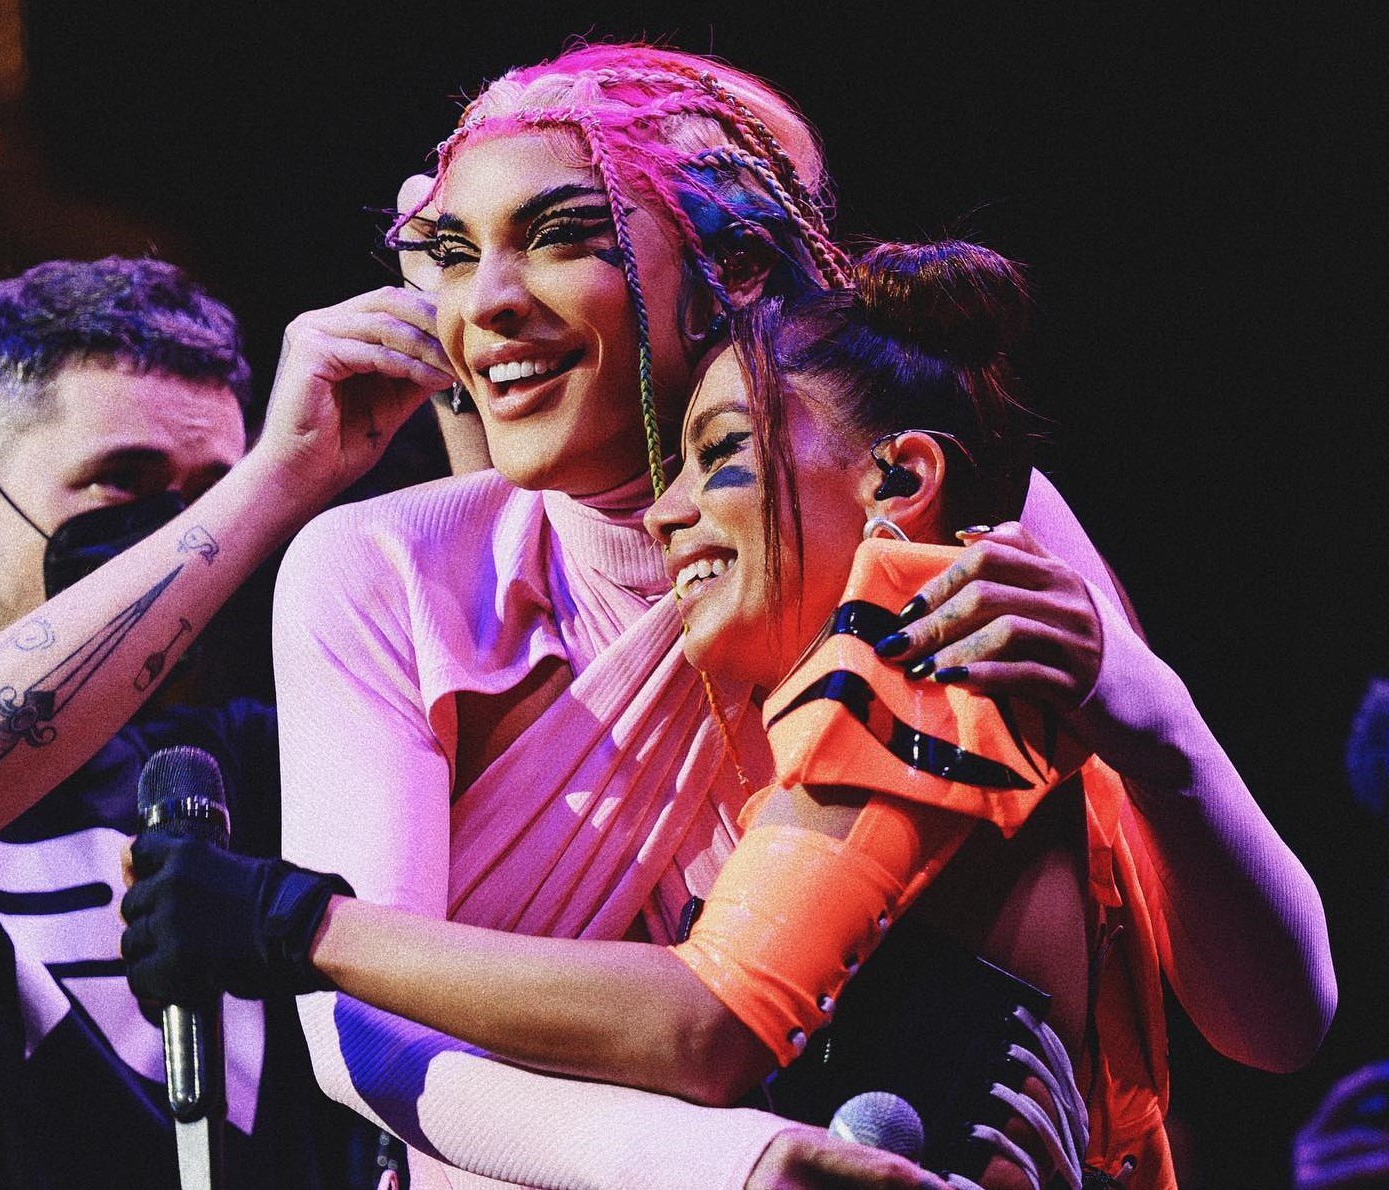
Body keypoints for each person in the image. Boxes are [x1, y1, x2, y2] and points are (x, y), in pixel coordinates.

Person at [123, 41, 1332, 1190]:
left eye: (562, 235)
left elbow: (1273, 1022)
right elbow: (359, 1038)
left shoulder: (933, 536)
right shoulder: (385, 568)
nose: (484, 301)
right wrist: (732, 1162)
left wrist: (1151, 713)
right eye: (450, 250)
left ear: (738, 264)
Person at [0, 255, 448, 1187]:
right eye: (120, 481)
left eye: (210, 494)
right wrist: (274, 480)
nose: (187, 537)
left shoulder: (237, 766)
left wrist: (463, 337)